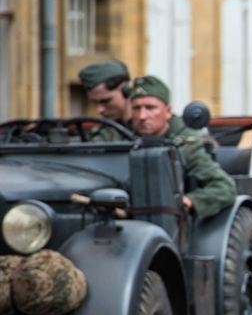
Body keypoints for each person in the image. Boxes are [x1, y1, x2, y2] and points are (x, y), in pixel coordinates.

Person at [129, 75, 237, 220]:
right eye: (136, 108)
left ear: (167, 111)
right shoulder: (121, 138)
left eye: (150, 108)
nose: (142, 116)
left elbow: (224, 187)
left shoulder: (186, 145)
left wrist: (189, 201)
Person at [78, 60, 132, 140]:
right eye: (94, 102)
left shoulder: (150, 129)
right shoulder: (105, 132)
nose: (99, 110)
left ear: (127, 92)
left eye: (106, 101)